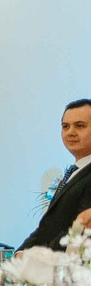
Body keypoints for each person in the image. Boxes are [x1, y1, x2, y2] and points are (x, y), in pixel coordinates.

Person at [20, 98, 91, 250]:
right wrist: (22, 251)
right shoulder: (73, 172)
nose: (70, 132)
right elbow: (48, 226)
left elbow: (80, 229)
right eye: (65, 126)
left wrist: (39, 256)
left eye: (80, 126)